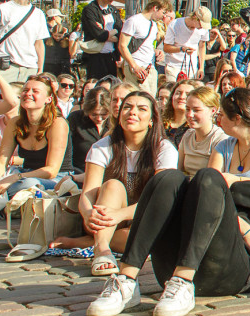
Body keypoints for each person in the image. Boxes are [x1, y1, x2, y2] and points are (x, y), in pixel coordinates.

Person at [85, 93, 250, 316]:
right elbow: (207, 188)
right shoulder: (224, 146)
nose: (217, 119)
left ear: (237, 117)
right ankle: (126, 280)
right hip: (175, 266)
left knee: (209, 177)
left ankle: (183, 281)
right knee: (169, 178)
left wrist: (234, 182)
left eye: (221, 114)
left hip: (232, 264)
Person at [77, 90, 180, 277]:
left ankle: (89, 242)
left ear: (152, 120)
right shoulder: (102, 146)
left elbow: (159, 201)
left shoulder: (164, 149)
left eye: (141, 109)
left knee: (149, 239)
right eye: (127, 107)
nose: (132, 112)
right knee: (112, 185)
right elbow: (88, 193)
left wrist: (119, 214)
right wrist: (87, 213)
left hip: (145, 218)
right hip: (105, 217)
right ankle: (101, 250)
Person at [0, 75, 71, 198]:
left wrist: (15, 178)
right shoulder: (15, 122)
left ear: (48, 99)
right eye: (25, 90)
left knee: (26, 185)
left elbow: (51, 171)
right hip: (23, 174)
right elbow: (1, 161)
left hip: (55, 179)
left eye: (35, 91)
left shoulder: (57, 123)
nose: (28, 94)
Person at [118, 0, 171, 95]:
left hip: (150, 67)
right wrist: (135, 66)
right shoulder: (134, 20)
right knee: (140, 97)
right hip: (137, 66)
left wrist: (157, 51)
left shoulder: (153, 25)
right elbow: (122, 45)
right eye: (163, 12)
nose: (164, 16)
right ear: (155, 8)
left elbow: (147, 45)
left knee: (151, 99)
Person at [78, 0, 125, 80]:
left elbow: (120, 32)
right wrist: (109, 35)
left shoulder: (114, 10)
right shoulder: (90, 9)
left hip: (111, 56)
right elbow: (99, 35)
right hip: (95, 56)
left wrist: (108, 34)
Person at [177, 86, 226, 176]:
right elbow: (177, 169)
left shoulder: (220, 139)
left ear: (213, 110)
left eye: (196, 110)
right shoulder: (188, 135)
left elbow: (211, 177)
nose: (190, 115)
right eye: (187, 109)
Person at [162, 7, 211, 84]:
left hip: (191, 67)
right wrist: (181, 49)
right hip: (173, 66)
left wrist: (201, 68)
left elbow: (202, 46)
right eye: (201, 24)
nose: (202, 27)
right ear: (194, 17)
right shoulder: (175, 24)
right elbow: (166, 48)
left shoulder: (203, 30)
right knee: (173, 89)